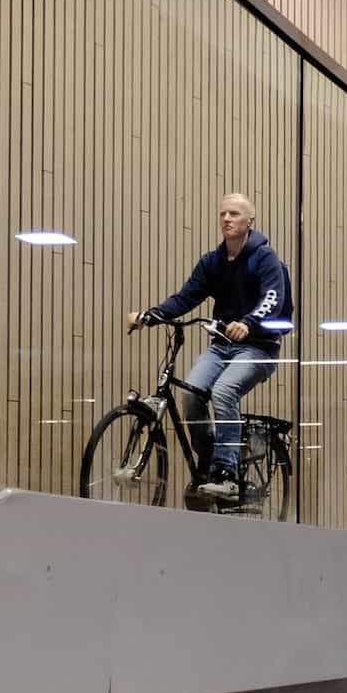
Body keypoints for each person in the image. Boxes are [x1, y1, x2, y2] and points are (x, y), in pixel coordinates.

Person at [126, 193, 293, 503]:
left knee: (224, 391)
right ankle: (209, 466)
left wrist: (248, 323)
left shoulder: (264, 258)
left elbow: (273, 299)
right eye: (223, 214)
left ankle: (226, 474)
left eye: (234, 214)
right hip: (222, 347)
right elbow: (186, 297)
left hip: (258, 349)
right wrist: (151, 316)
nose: (227, 219)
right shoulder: (212, 262)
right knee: (191, 394)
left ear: (250, 222)